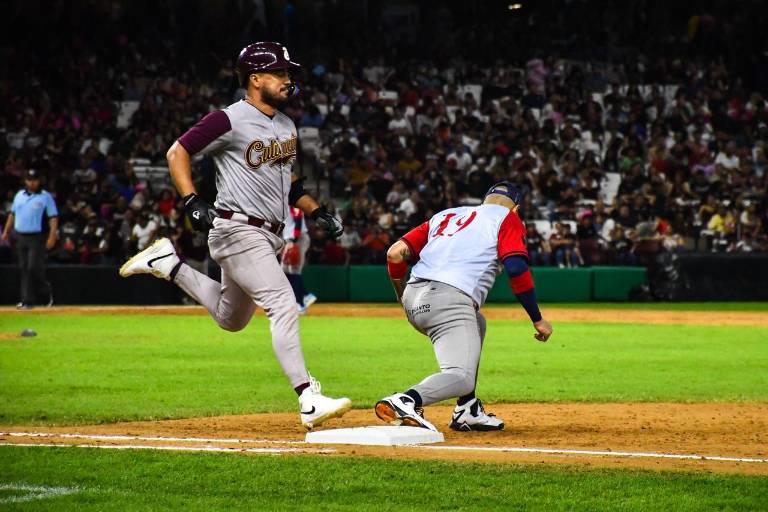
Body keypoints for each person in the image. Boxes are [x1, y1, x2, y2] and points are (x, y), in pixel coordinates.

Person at [119, 42, 350, 430]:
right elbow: (177, 152)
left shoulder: (287, 125)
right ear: (255, 79)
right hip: (238, 228)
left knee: (232, 318)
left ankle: (168, 264)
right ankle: (308, 398)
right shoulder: (228, 119)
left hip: (267, 234)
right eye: (279, 73)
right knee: (282, 303)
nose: (288, 79)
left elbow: (290, 183)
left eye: (289, 73)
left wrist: (316, 210)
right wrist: (191, 199)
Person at [377, 182, 553, 432]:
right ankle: (406, 401)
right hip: (448, 300)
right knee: (461, 377)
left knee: (478, 322)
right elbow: (516, 269)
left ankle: (467, 409)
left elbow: (395, 254)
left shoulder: (447, 215)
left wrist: (401, 296)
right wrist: (537, 319)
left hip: (414, 298)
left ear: (485, 201)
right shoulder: (507, 218)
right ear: (516, 208)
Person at [1, 169, 58, 309]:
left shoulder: (45, 196)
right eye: (29, 180)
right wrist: (6, 231)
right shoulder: (19, 195)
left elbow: (53, 217)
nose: (31, 183)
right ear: (25, 181)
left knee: (33, 267)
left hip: (37, 236)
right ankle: (27, 300)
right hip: (20, 235)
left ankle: (45, 292)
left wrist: (52, 236)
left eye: (34, 180)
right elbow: (12, 214)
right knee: (24, 268)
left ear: (39, 181)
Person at [281, 206, 317, 314]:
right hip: (289, 240)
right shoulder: (281, 203)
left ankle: (300, 303)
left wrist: (294, 241)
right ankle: (305, 295)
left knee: (294, 271)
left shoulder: (292, 203)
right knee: (284, 271)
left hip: (298, 239)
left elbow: (298, 220)